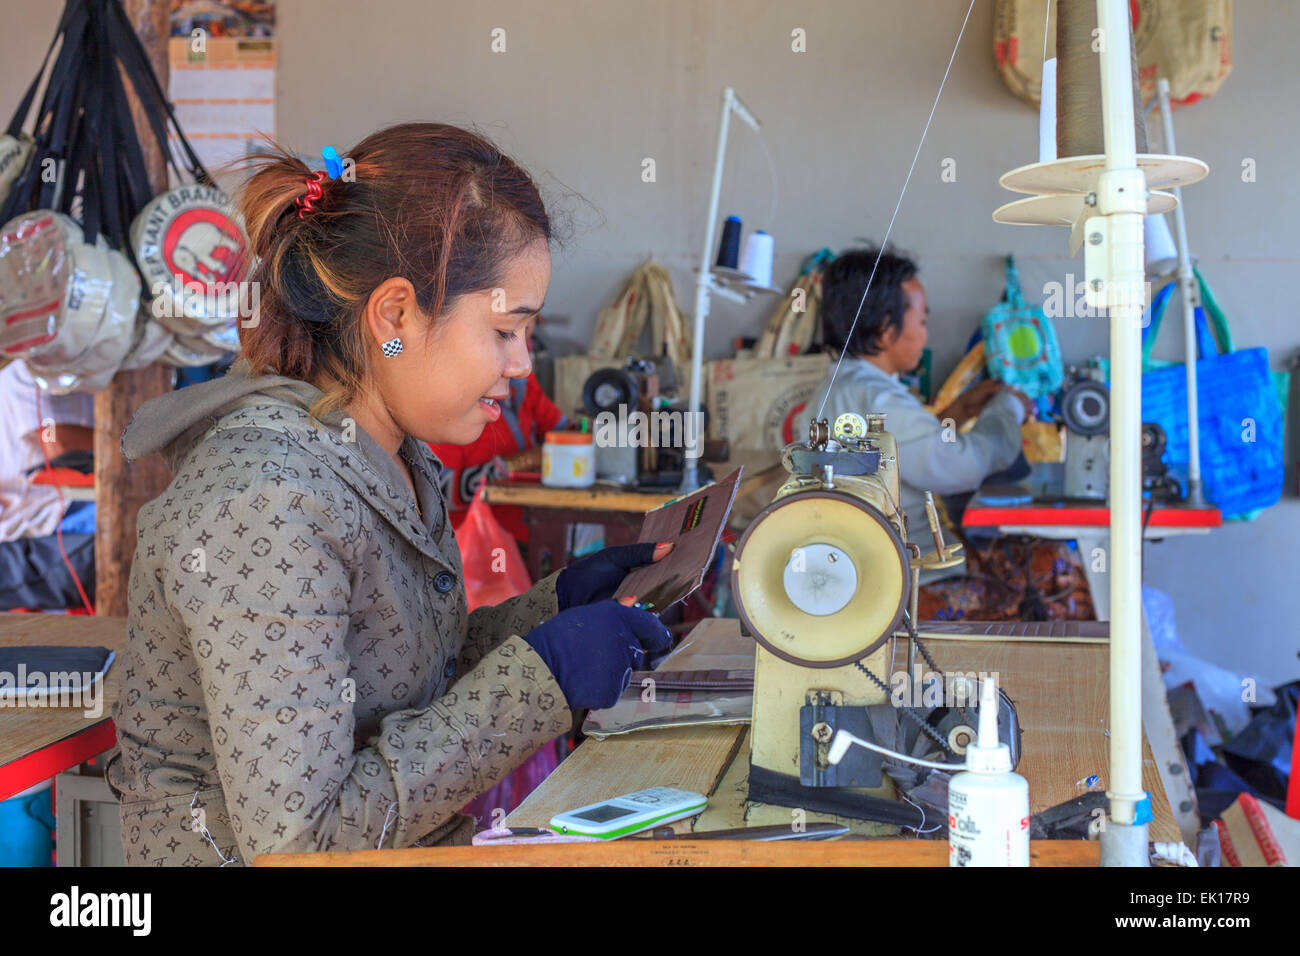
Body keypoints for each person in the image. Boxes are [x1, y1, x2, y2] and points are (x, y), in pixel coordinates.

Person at [106, 123, 674, 865]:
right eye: (507, 330)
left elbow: (406, 680)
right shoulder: (266, 500)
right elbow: (300, 845)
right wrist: (540, 679)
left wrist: (554, 610)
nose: (523, 366)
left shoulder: (391, 455)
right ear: (396, 316)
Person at [809, 246, 1033, 560]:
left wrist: (958, 412)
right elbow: (959, 467)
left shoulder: (837, 388)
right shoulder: (879, 398)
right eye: (922, 322)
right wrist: (1009, 409)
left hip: (862, 562)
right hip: (903, 576)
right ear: (886, 331)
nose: (925, 335)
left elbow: (906, 452)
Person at [428, 312, 566, 543]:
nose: (524, 363)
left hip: (528, 533)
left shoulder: (523, 381)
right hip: (476, 551)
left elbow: (561, 430)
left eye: (528, 323)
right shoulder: (449, 398)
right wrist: (517, 463)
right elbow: (439, 492)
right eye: (507, 331)